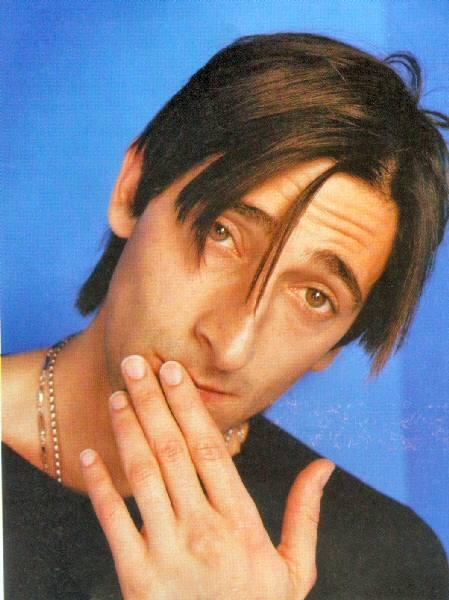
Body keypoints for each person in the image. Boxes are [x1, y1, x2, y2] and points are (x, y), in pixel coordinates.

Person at [3, 33, 449, 599]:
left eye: (315, 297)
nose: (232, 345)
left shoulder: (389, 567)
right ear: (133, 190)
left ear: (336, 345)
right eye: (223, 234)